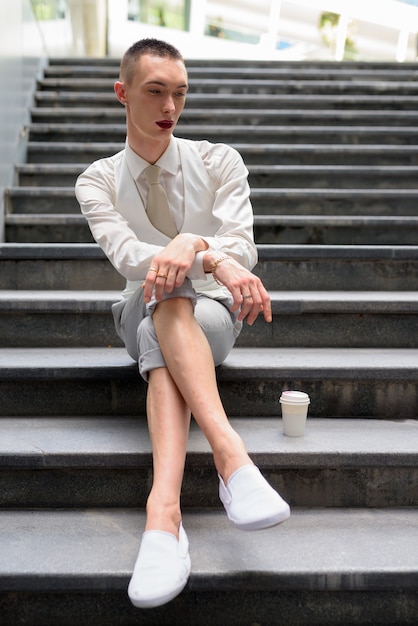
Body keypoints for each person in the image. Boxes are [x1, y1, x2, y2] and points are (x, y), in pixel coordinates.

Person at [75, 38, 290, 610]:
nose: (170, 105)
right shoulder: (96, 180)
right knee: (160, 296)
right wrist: (205, 252)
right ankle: (230, 457)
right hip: (137, 305)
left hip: (215, 314)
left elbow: (241, 245)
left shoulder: (220, 160)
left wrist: (191, 245)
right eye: (155, 91)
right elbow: (128, 258)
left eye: (180, 93)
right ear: (123, 93)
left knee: (166, 311)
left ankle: (162, 516)